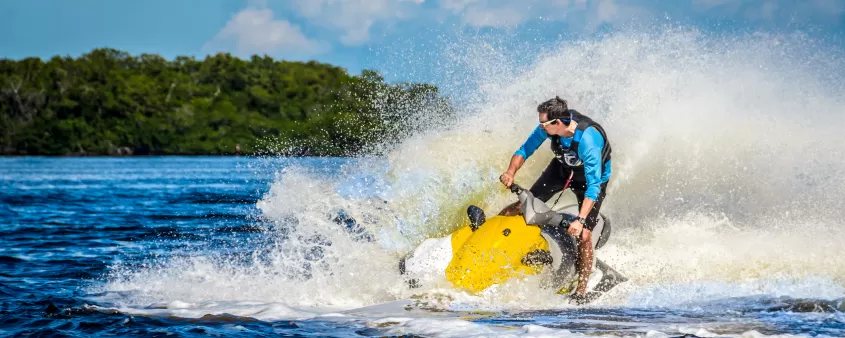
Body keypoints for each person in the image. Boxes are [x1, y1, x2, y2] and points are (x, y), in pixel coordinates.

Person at [498, 96, 612, 304]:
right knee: (523, 204)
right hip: (563, 169)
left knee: (584, 234)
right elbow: (525, 149)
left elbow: (594, 186)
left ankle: (581, 291)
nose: (541, 127)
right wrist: (510, 172)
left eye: (544, 123)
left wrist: (580, 220)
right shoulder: (549, 128)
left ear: (558, 122)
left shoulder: (588, 140)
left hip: (591, 182)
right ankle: (491, 236)